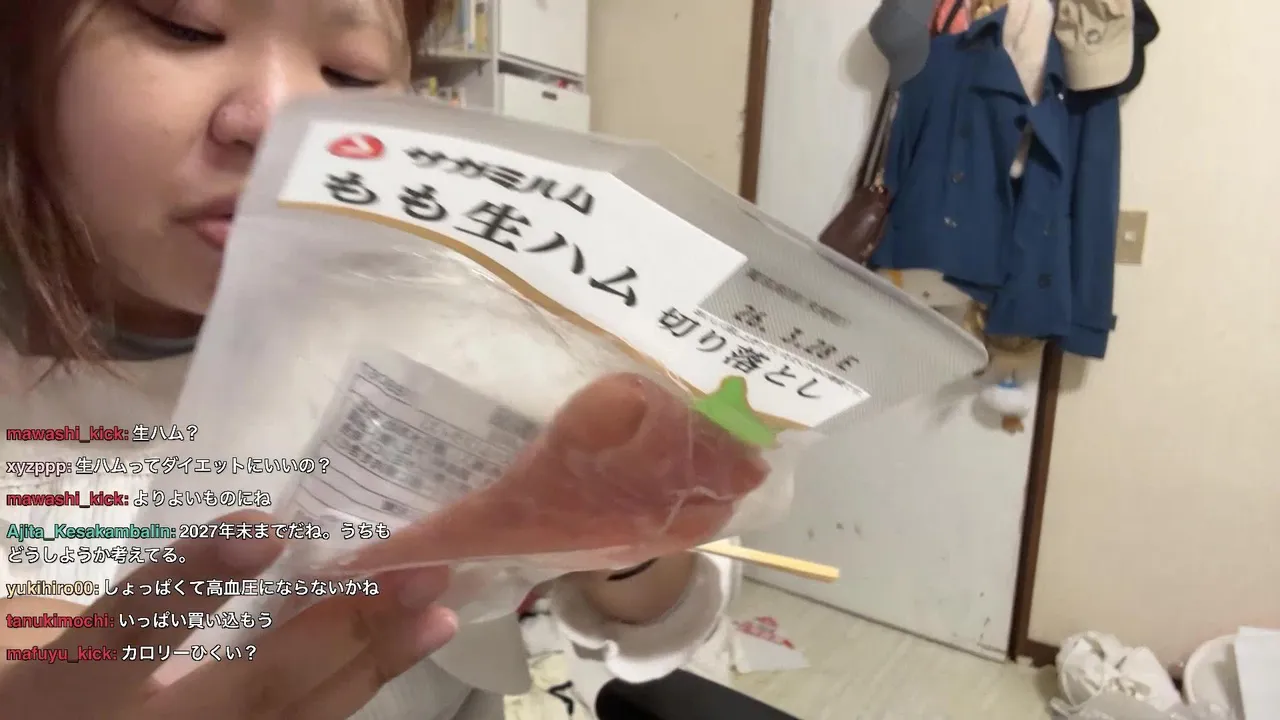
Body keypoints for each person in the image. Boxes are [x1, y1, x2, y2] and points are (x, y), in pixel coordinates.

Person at [0, 1, 739, 718]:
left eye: (349, 71)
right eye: (186, 28)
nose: (283, 122)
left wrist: (628, 539)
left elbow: (654, 614)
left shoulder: (451, 326)